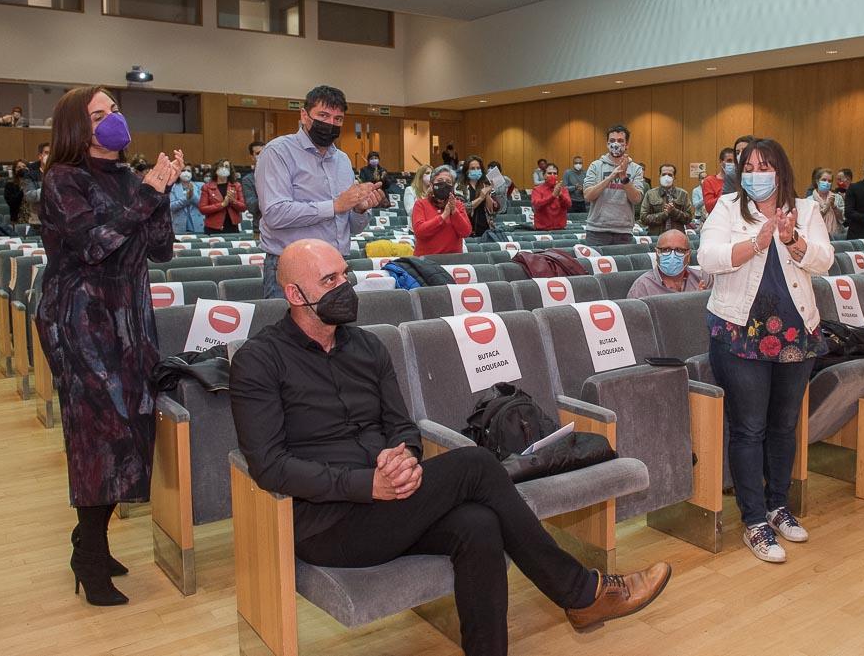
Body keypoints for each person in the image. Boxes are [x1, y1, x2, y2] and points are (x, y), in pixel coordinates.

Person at [229, 238, 670, 656]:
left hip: (393, 503)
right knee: (476, 464)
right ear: (293, 293)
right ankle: (580, 591)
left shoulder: (367, 346)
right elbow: (269, 466)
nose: (345, 287)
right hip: (328, 524)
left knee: (478, 525)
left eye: (345, 275)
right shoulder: (259, 360)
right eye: (329, 282)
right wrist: (368, 484)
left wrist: (404, 456)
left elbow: (402, 425)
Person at [35, 85, 181, 606]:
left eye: (114, 109)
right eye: (99, 114)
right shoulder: (61, 179)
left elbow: (160, 249)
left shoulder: (128, 178)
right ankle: (90, 555)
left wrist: (159, 191)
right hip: (79, 318)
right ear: (78, 126)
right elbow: (95, 245)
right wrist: (148, 193)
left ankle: (90, 537)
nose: (112, 119)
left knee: (132, 425)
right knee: (96, 432)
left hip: (130, 316)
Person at [698, 138, 832, 563]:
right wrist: (758, 241)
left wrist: (793, 241)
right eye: (749, 165)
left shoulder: (807, 209)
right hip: (740, 333)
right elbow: (708, 258)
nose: (757, 172)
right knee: (749, 428)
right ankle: (753, 519)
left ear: (782, 169)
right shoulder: (727, 207)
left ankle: (778, 506)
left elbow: (824, 260)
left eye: (765, 165)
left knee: (784, 425)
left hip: (796, 333)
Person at [255, 85, 384, 299]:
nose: (330, 124)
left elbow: (350, 227)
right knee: (289, 334)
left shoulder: (342, 160)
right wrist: (334, 206)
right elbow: (275, 213)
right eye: (323, 115)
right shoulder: (277, 152)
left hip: (337, 268)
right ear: (304, 116)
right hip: (292, 268)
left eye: (338, 119)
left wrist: (360, 210)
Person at [583, 125, 645, 246]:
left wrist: (623, 177)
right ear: (607, 144)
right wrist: (611, 176)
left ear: (627, 145)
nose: (615, 144)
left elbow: (636, 199)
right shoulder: (596, 165)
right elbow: (588, 196)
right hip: (597, 231)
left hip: (624, 231)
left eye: (620, 141)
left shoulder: (636, 169)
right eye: (612, 141)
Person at [412, 166, 471, 255]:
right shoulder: (420, 204)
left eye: (448, 182)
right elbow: (420, 232)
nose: (444, 184)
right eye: (439, 181)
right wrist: (443, 216)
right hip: (426, 261)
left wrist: (454, 211)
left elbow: (466, 232)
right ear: (432, 185)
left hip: (452, 262)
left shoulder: (457, 204)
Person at [628, 229, 704, 299]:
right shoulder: (642, 287)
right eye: (666, 250)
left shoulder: (702, 278)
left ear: (688, 254)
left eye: (679, 250)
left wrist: (701, 300)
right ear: (657, 253)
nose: (672, 255)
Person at [639, 163, 694, 236]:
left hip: (677, 237)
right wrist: (664, 214)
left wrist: (674, 212)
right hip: (656, 237)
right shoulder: (650, 194)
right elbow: (644, 218)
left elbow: (689, 218)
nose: (666, 177)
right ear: (659, 176)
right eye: (664, 174)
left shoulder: (683, 194)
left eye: (670, 175)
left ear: (674, 177)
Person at [198, 159, 246, 234]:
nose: (224, 168)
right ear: (216, 169)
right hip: (213, 228)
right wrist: (222, 205)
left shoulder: (236, 186)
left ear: (230, 170)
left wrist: (233, 201)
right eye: (221, 166)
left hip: (232, 227)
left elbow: (243, 207)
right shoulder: (207, 187)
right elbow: (202, 209)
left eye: (226, 166)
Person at [460, 155, 501, 239]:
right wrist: (480, 198)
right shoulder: (460, 186)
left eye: (478, 168)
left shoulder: (486, 184)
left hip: (485, 230)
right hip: (466, 231)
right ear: (466, 170)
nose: (476, 171)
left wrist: (487, 195)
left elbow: (493, 210)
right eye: (472, 168)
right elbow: (461, 209)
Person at [530, 162, 571, 230]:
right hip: (542, 230)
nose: (552, 175)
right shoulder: (537, 189)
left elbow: (568, 205)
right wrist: (553, 196)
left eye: (555, 173)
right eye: (549, 173)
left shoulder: (563, 189)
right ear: (544, 176)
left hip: (560, 229)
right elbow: (536, 205)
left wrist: (560, 195)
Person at [807, 167, 844, 237]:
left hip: (836, 236)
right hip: (816, 235)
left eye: (829, 181)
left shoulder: (837, 198)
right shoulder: (809, 200)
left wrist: (834, 206)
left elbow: (842, 219)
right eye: (824, 180)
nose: (827, 183)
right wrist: (826, 208)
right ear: (817, 181)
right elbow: (810, 221)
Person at [701, 148, 737, 217]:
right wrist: (727, 193)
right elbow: (709, 207)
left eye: (735, 161)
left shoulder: (740, 181)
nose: (733, 164)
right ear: (721, 162)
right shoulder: (709, 181)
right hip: (719, 218)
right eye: (729, 161)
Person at [169, 166, 204, 234]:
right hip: (179, 227)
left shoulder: (200, 186)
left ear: (192, 173)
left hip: (197, 226)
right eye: (183, 170)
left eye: (188, 170)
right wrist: (186, 198)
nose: (186, 172)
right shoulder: (172, 187)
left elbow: (202, 205)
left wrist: (193, 196)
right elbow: (171, 207)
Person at [239, 140, 265, 223]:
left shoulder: (280, 174)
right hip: (260, 228)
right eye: (258, 153)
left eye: (264, 152)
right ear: (252, 157)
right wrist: (270, 195)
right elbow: (251, 207)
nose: (262, 155)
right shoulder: (248, 180)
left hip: (283, 227)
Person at [4, 159, 28, 225]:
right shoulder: (10, 185)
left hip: (33, 219)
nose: (22, 169)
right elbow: (12, 203)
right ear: (14, 170)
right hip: (17, 219)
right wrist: (22, 190)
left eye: (24, 166)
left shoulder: (33, 183)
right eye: (19, 167)